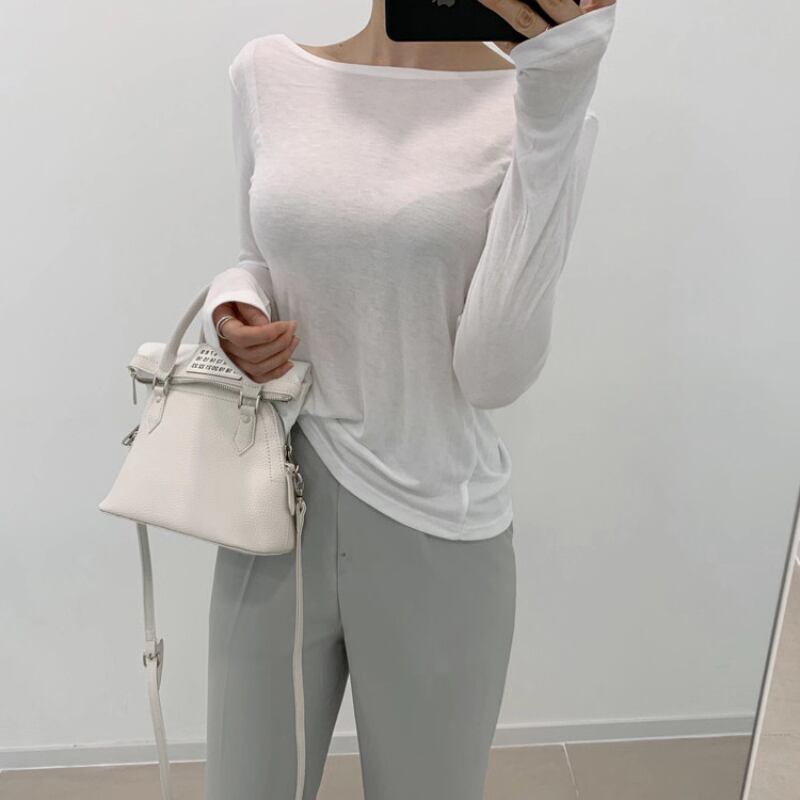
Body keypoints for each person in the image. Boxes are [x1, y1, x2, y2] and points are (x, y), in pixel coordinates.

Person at [200, 1, 617, 798]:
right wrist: (232, 306)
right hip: (273, 510)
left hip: (436, 527)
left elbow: (493, 374)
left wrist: (557, 96)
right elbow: (259, 255)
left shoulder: (539, 104)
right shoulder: (267, 73)